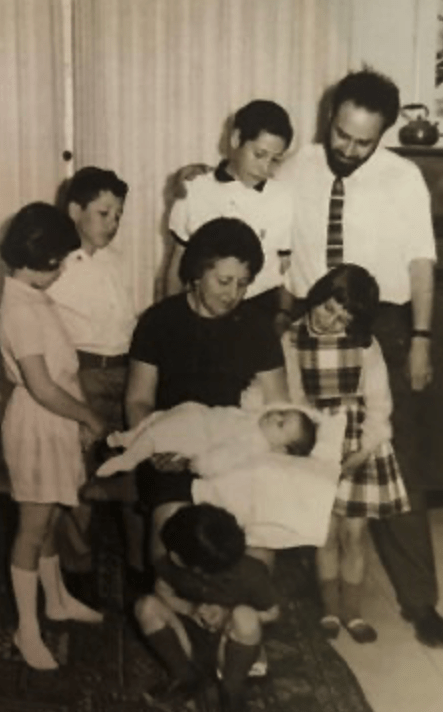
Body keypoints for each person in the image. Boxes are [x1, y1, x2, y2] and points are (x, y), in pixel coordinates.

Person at [277, 68, 443, 648]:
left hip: (384, 322)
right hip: (309, 319)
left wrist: (421, 337)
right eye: (342, 135)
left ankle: (419, 600)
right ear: (332, 115)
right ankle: (299, 581)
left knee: (397, 462)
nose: (349, 150)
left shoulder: (402, 179)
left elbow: (421, 262)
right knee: (299, 445)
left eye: (364, 141)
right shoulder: (297, 164)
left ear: (384, 132)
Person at [126, 216, 289, 569]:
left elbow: (278, 409)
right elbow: (138, 400)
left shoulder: (257, 329)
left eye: (243, 284)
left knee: (256, 551)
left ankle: (239, 615)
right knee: (172, 538)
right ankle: (170, 613)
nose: (232, 294)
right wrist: (155, 443)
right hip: (170, 450)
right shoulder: (158, 322)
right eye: (224, 281)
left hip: (237, 449)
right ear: (197, 273)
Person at [0, 203, 105, 670]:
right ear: (42, 260)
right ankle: (27, 628)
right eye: (60, 260)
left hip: (56, 420)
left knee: (52, 518)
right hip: (37, 423)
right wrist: (88, 415)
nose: (63, 268)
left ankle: (57, 599)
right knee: (32, 527)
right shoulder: (17, 305)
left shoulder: (35, 296)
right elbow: (41, 387)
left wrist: (78, 418)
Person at [289, 264, 410, 643]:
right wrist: (309, 452)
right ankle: (329, 608)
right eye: (329, 309)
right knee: (325, 533)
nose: (333, 321)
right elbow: (293, 401)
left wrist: (362, 451)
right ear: (318, 294)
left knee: (354, 533)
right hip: (316, 444)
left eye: (344, 316)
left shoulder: (364, 344)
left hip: (359, 444)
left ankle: (353, 611)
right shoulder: (291, 339)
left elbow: (379, 405)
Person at [47, 166, 138, 579]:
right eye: (104, 213)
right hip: (81, 375)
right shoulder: (55, 264)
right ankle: (75, 566)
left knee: (129, 467)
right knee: (76, 476)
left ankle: (138, 566)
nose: (113, 223)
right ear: (74, 210)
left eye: (118, 215)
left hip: (123, 373)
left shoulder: (116, 261)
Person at [134, 502, 279, 711]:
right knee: (146, 606)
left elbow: (273, 612)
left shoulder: (251, 572)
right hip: (191, 635)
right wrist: (190, 609)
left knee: (244, 615)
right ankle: (184, 676)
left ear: (179, 557)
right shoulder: (169, 565)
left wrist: (228, 615)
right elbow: (161, 591)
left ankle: (232, 688)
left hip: (231, 643)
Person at [164, 99, 295, 318]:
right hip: (203, 309)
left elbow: (283, 271)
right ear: (235, 138)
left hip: (258, 311)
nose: (265, 168)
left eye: (275, 160)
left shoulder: (282, 198)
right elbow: (175, 265)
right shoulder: (195, 188)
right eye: (259, 154)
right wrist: (169, 321)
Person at [96, 401, 316, 478]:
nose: (275, 416)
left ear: (280, 449)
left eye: (281, 424)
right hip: (197, 415)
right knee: (156, 419)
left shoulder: (253, 443)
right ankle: (127, 439)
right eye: (282, 413)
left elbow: (224, 458)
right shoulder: (257, 420)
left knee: (155, 436)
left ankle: (129, 459)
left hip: (196, 435)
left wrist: (200, 464)